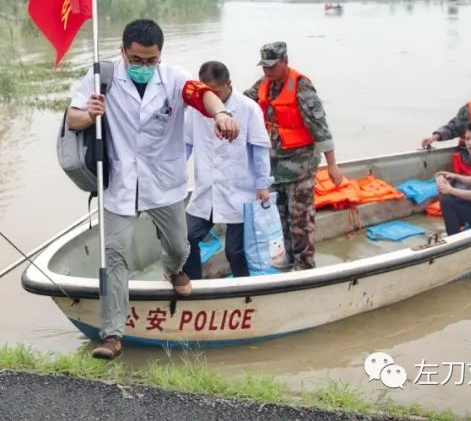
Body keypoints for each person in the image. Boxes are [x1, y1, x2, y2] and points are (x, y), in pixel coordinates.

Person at [67, 19, 240, 360]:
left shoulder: (174, 78)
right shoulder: (103, 76)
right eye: (137, 60)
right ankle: (112, 334)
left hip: (164, 182)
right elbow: (72, 118)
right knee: (115, 255)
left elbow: (202, 94)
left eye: (151, 61)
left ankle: (172, 268)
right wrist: (89, 113)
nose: (145, 67)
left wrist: (221, 114)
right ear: (123, 52)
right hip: (120, 183)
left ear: (160, 56)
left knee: (178, 245)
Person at [244, 41, 342, 271]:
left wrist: (333, 166)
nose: (267, 71)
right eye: (264, 66)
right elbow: (242, 102)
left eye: (271, 66)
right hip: (274, 167)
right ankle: (289, 261)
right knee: (280, 218)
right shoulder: (263, 84)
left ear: (284, 62)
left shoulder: (301, 87)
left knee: (300, 222)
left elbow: (321, 127)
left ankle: (305, 266)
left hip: (300, 167)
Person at [182, 61, 272, 280]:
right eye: (206, 93)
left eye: (216, 92)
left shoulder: (248, 108)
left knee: (235, 251)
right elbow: (185, 146)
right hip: (208, 190)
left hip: (240, 191)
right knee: (185, 238)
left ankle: (244, 289)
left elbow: (259, 148)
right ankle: (194, 284)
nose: (211, 99)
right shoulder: (196, 110)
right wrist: (168, 178)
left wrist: (262, 185)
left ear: (228, 84)